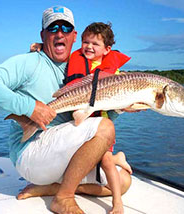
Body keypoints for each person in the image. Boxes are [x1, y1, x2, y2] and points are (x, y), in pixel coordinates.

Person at [0, 6, 132, 214]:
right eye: (52, 28)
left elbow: (95, 118)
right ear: (43, 34)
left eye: (65, 28)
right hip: (32, 153)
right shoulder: (29, 61)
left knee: (123, 182)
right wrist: (29, 107)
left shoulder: (82, 67)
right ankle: (63, 197)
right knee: (105, 128)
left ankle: (54, 187)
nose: (59, 33)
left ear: (74, 36)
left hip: (64, 153)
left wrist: (119, 109)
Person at [66, 22, 132, 214]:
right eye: (85, 42)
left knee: (105, 160)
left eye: (95, 44)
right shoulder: (75, 59)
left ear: (107, 49)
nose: (89, 47)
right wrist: (38, 47)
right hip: (83, 119)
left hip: (102, 123)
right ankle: (118, 157)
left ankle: (117, 202)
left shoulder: (114, 71)